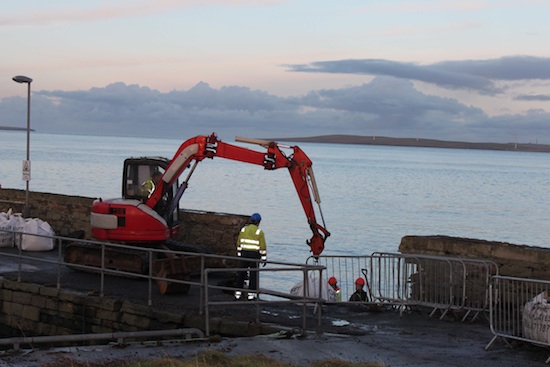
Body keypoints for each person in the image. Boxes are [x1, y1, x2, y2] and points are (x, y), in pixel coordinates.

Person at [234, 213, 267, 300]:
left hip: (244, 254)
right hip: (254, 255)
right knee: (253, 274)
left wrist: (239, 254)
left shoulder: (244, 229)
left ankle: (237, 294)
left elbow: (239, 242)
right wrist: (264, 258)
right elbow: (262, 246)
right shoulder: (259, 232)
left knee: (241, 273)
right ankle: (251, 295)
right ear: (258, 222)